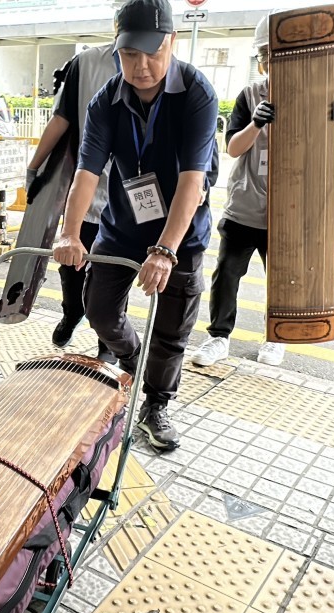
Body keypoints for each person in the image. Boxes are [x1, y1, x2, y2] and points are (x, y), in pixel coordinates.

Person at [53, 0, 219, 452]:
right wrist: (69, 233)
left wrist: (165, 251)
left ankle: (156, 404)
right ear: (117, 48)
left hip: (180, 235)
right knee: (100, 309)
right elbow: (86, 173)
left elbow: (192, 180)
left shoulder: (197, 95)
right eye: (130, 55)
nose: (142, 67)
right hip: (123, 228)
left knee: (172, 331)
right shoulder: (106, 100)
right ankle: (129, 354)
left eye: (152, 53)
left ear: (173, 42)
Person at [192, 19, 334, 368]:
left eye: (276, 54)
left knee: (285, 282)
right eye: (265, 56)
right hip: (246, 208)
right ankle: (218, 337)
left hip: (291, 212)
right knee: (227, 275)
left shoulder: (319, 95)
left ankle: (276, 338)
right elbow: (233, 148)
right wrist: (256, 122)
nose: (271, 62)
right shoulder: (250, 96)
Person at [26, 40, 118, 360]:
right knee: (71, 268)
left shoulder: (167, 68)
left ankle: (107, 342)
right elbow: (62, 118)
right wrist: (34, 166)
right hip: (84, 191)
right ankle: (72, 312)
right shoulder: (87, 63)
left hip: (128, 205)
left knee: (109, 279)